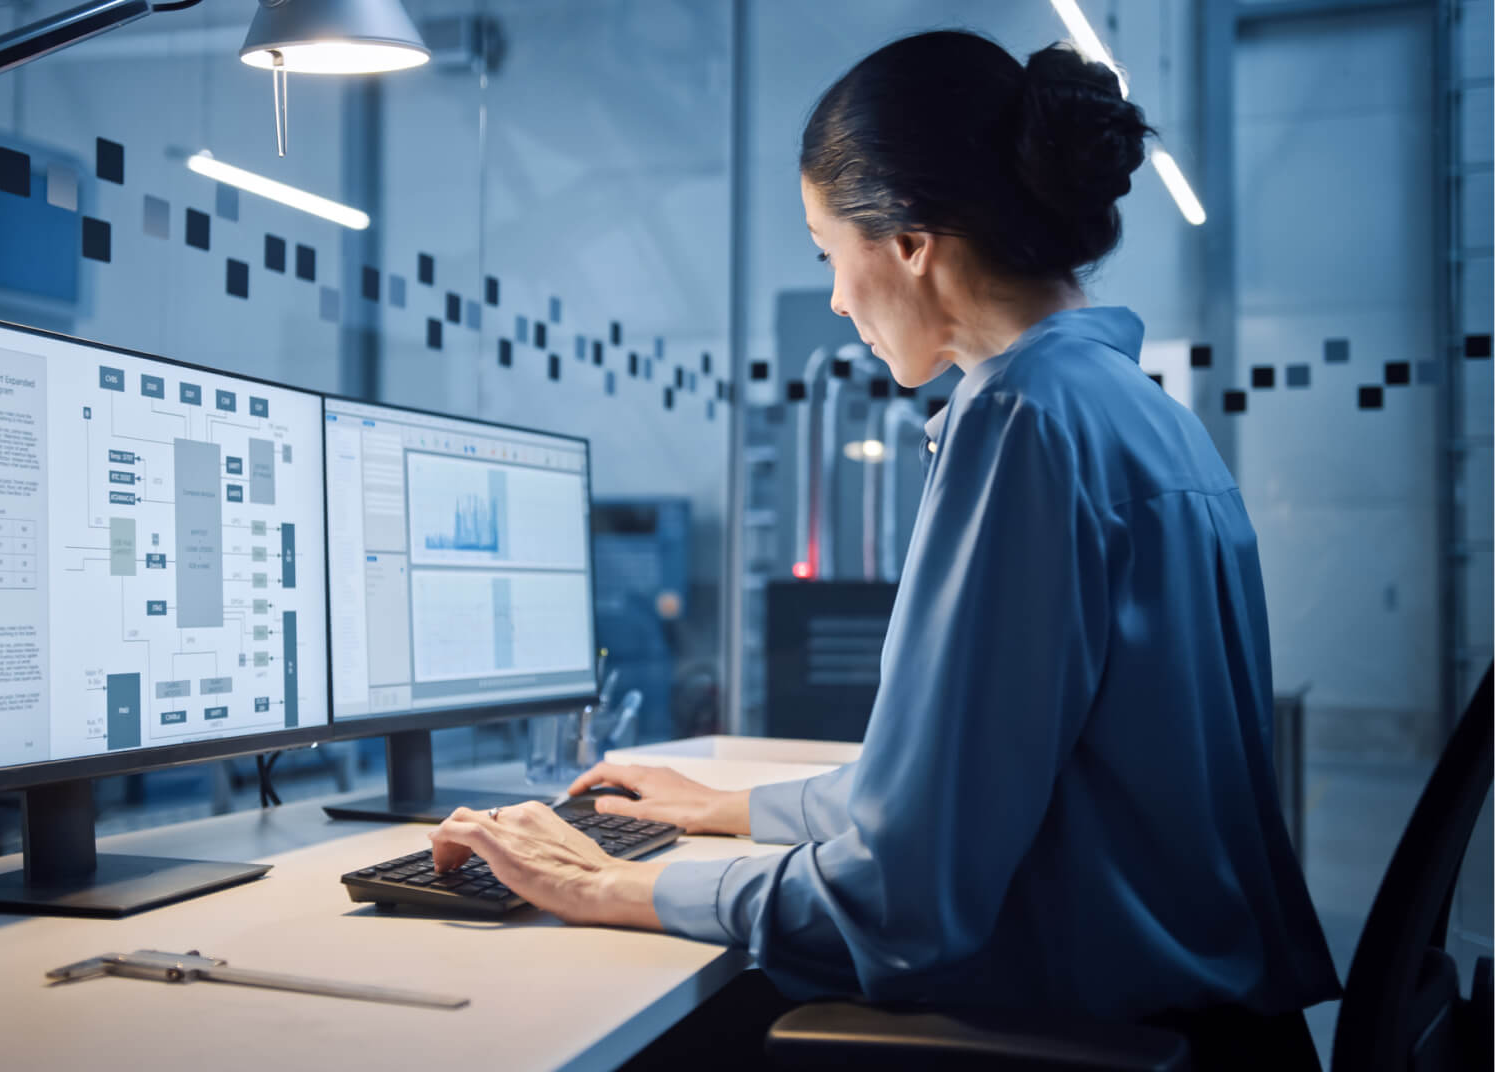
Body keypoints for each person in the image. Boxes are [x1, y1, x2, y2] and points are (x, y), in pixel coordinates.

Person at [429, 29, 1340, 1065]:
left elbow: (906, 903)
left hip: (1101, 1035)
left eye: (829, 252)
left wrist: (611, 881)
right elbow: (961, 795)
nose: (832, 299)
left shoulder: (1024, 422)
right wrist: (731, 807)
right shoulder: (1131, 410)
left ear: (908, 240)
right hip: (1213, 1031)